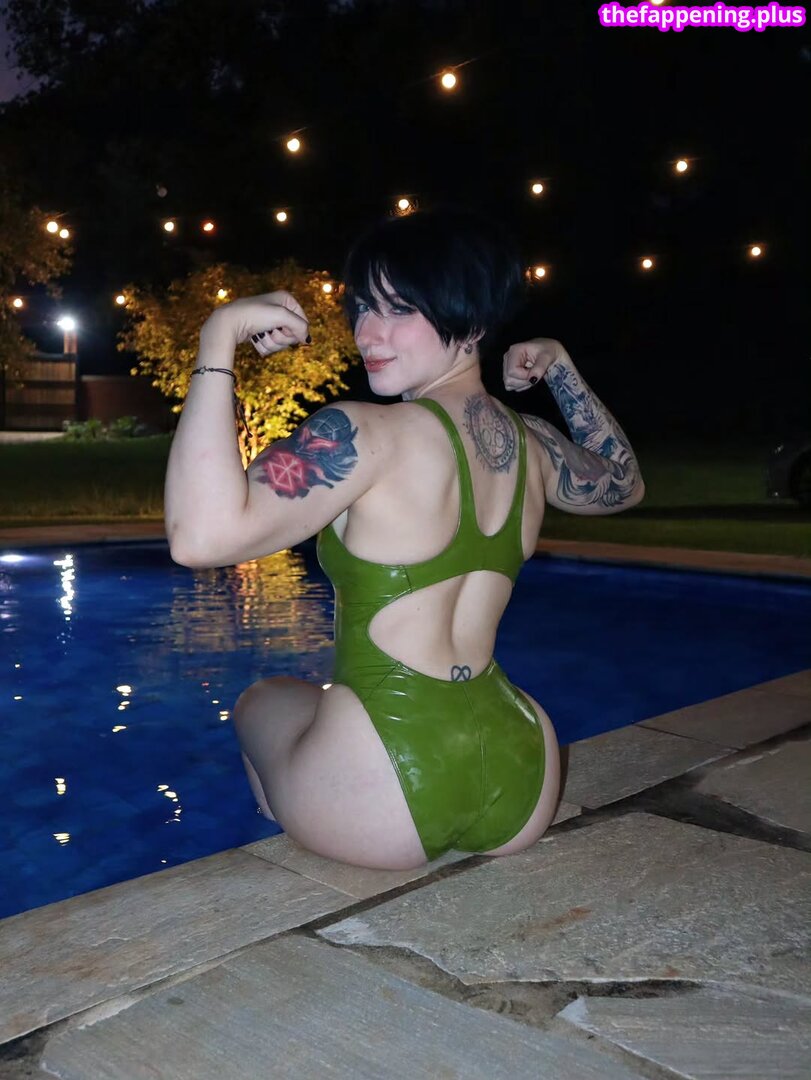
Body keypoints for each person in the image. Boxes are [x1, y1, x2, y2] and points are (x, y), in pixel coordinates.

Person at [165, 207, 645, 870]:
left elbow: (197, 538)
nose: (367, 332)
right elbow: (624, 481)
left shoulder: (366, 434)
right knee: (307, 706)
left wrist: (217, 340)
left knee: (260, 700)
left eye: (398, 309)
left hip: (382, 791)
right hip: (519, 768)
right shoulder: (532, 445)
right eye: (363, 307)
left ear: (471, 323)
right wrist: (559, 366)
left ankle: (306, 821)